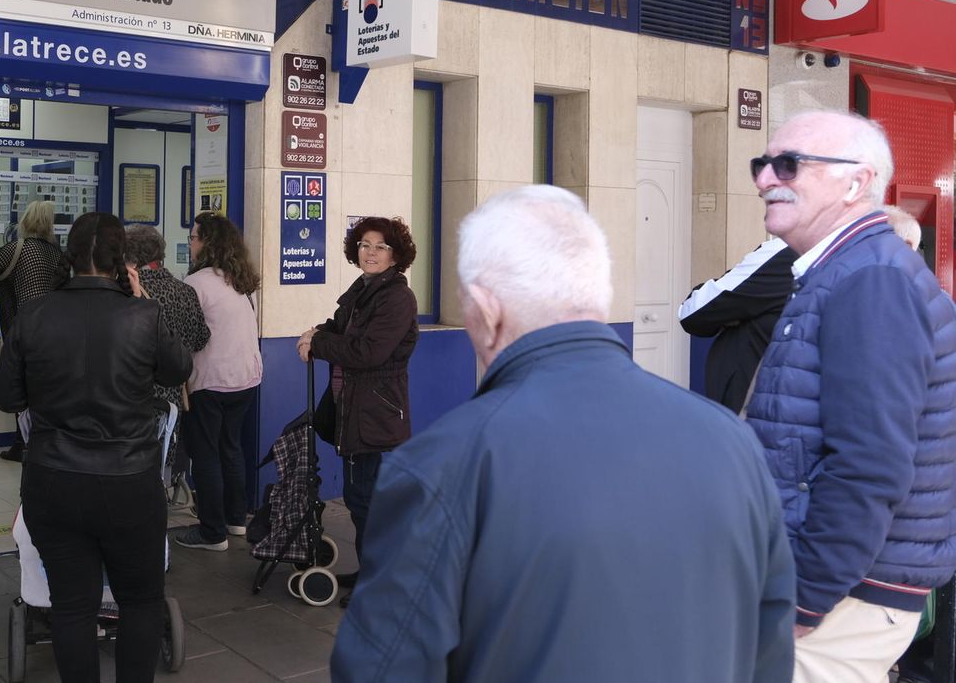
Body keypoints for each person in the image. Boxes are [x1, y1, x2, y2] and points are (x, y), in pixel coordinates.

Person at [332, 185, 796, 683]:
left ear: (484, 310)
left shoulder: (439, 466)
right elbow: (770, 644)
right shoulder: (732, 443)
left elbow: (381, 667)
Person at [747, 110, 956, 682]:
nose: (767, 178)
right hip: (843, 587)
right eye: (762, 165)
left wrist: (806, 597)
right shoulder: (845, 271)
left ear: (856, 183)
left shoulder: (870, 279)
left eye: (788, 164)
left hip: (843, 598)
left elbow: (870, 463)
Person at [0, 213, 192, 683]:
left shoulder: (35, 315)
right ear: (121, 260)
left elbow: (6, 397)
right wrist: (141, 298)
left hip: (54, 482)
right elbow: (177, 368)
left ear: (70, 256)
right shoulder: (142, 315)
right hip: (129, 485)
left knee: (72, 606)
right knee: (140, 602)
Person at [296, 216, 417, 601]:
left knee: (373, 504)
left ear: (395, 254)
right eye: (365, 244)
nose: (371, 252)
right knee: (359, 499)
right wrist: (315, 333)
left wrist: (318, 343)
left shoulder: (397, 297)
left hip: (377, 416)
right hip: (354, 413)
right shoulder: (364, 289)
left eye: (381, 246)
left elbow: (368, 352)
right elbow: (338, 327)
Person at [173, 212, 263, 552]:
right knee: (231, 448)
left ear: (207, 243)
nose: (190, 243)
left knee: (206, 454)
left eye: (194, 237)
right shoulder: (240, 281)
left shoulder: (196, 284)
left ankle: (212, 533)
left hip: (209, 382)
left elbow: (186, 334)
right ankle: (235, 519)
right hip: (245, 378)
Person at [0, 199, 71, 462]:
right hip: (54, 330)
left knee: (19, 385)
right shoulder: (57, 253)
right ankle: (38, 440)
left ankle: (21, 442)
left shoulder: (20, 248)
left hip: (24, 327)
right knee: (43, 387)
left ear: (26, 221)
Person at [678, 237, 797, 413]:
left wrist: (737, 310)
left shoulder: (784, 253)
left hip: (756, 411)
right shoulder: (847, 255)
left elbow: (693, 312)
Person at [123, 223, 211, 410]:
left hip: (138, 396)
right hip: (174, 400)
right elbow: (201, 339)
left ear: (130, 259)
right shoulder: (186, 291)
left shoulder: (129, 294)